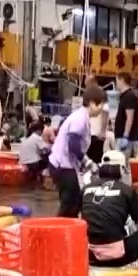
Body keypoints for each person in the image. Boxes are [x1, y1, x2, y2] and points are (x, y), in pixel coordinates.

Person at [82, 151, 138, 267]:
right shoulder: (126, 190)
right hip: (116, 257)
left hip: (90, 255)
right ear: (121, 169)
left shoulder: (86, 189)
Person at [49, 85, 107, 217]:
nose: (101, 108)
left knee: (75, 202)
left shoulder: (83, 117)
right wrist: (88, 162)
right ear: (92, 103)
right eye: (100, 104)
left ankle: (70, 226)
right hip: (62, 165)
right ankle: (60, 227)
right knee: (70, 203)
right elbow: (73, 144)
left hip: (66, 165)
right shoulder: (79, 118)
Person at [114, 72, 138, 158]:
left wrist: (125, 135)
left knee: (122, 161)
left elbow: (130, 118)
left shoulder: (129, 96)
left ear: (122, 80)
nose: (116, 83)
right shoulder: (124, 96)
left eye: (117, 80)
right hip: (123, 136)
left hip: (127, 138)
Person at [17, 122, 51, 188]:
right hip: (33, 163)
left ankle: (37, 178)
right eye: (41, 131)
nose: (41, 133)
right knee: (49, 160)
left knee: (42, 158)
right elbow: (46, 148)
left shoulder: (25, 138)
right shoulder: (36, 137)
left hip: (22, 162)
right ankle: (43, 180)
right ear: (38, 130)